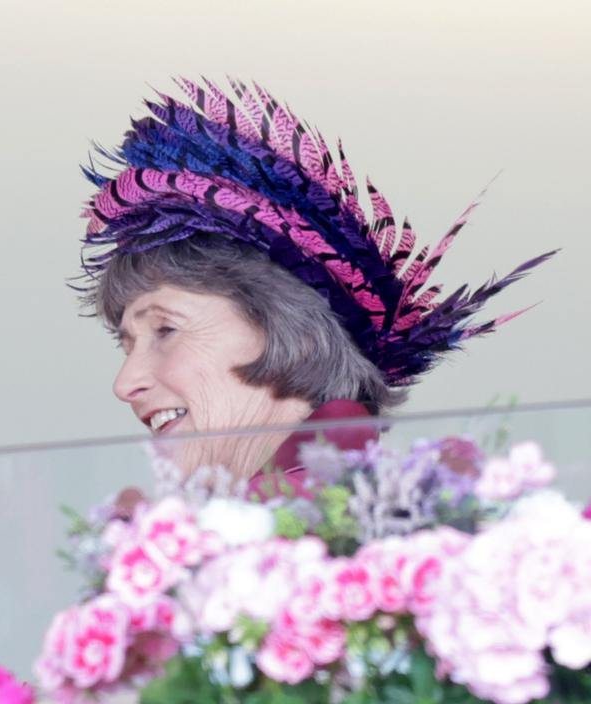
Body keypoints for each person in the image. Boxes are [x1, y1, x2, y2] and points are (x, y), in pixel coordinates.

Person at [76, 78, 552, 493]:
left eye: (166, 330)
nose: (125, 383)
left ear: (298, 338)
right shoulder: (328, 522)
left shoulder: (320, 545)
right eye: (127, 345)